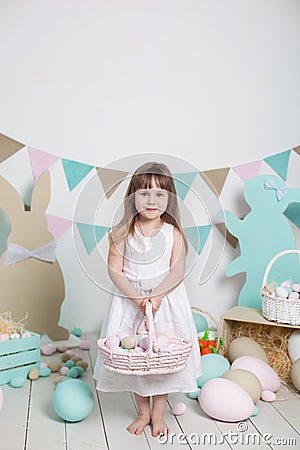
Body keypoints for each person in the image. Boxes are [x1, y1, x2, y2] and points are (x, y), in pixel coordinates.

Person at [94, 162, 202, 437]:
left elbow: (178, 270)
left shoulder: (172, 233)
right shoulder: (122, 233)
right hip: (129, 302)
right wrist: (135, 298)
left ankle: (158, 414)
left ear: (170, 199)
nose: (151, 200)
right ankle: (143, 412)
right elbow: (114, 270)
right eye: (144, 193)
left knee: (163, 359)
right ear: (132, 197)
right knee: (135, 359)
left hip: (164, 302)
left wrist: (157, 295)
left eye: (159, 194)